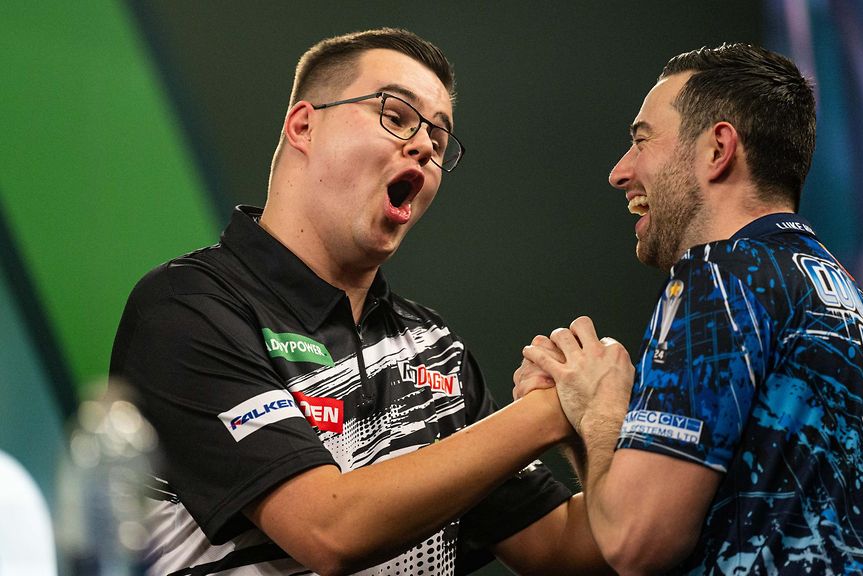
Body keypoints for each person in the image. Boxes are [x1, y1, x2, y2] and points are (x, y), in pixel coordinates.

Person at [110, 28, 610, 576]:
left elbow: (567, 554)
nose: (425, 147)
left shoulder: (435, 347)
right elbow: (328, 531)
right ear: (304, 126)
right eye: (396, 116)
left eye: (439, 140)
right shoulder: (187, 307)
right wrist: (547, 413)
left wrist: (594, 422)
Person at [517, 43, 863, 575]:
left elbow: (634, 540)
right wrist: (589, 423)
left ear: (718, 149)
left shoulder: (721, 276)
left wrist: (601, 409)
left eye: (641, 141)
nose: (619, 172)